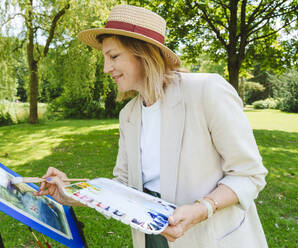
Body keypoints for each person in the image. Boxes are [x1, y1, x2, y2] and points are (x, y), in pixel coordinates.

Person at [34, 5, 268, 248]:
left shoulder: (207, 91)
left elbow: (249, 175)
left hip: (210, 238)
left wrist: (202, 209)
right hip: (152, 239)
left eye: (113, 56)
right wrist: (70, 194)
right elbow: (122, 186)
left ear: (143, 54)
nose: (106, 69)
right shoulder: (129, 114)